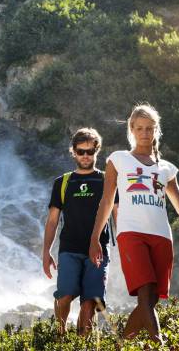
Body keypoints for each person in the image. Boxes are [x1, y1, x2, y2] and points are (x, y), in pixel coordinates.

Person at [88, 104, 179, 343]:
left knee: (150, 301)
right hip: (131, 234)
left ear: (156, 130)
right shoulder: (118, 160)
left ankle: (122, 345)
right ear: (132, 130)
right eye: (140, 128)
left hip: (161, 236)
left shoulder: (166, 168)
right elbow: (106, 202)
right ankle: (159, 343)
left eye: (149, 128)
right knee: (146, 290)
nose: (145, 133)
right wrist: (95, 237)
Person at [42, 128, 118, 337]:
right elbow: (52, 220)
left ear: (97, 151)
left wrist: (127, 246)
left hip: (99, 250)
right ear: (73, 151)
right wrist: (46, 252)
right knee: (64, 297)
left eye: (90, 151)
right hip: (69, 249)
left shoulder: (108, 181)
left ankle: (81, 344)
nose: (86, 156)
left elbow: (118, 215)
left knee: (89, 303)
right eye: (81, 151)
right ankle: (59, 337)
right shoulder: (63, 182)